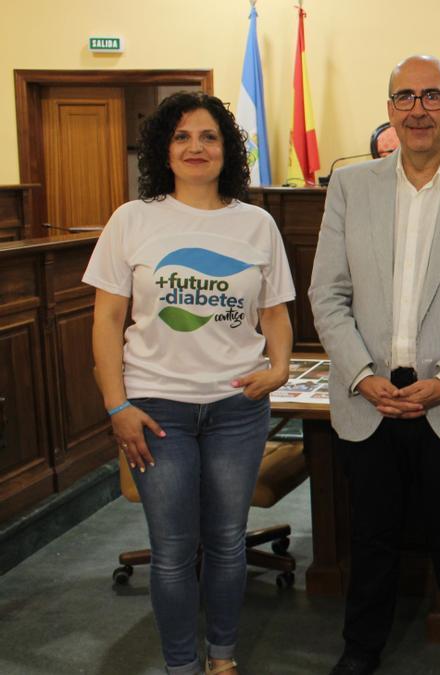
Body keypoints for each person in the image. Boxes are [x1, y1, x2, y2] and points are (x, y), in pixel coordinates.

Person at [309, 55, 440, 675]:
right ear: (389, 110)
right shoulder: (351, 187)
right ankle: (360, 652)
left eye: (432, 96)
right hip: (367, 400)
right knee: (371, 543)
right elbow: (327, 294)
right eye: (404, 97)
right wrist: (359, 374)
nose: (417, 109)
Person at [85, 91, 295, 675]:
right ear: (164, 149)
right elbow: (105, 320)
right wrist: (115, 406)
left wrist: (277, 368)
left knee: (228, 543)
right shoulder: (133, 219)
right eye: (182, 136)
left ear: (227, 150)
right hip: (156, 411)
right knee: (175, 550)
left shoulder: (257, 224)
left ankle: (221, 659)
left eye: (208, 137)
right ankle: (181, 665)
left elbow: (275, 313)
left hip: (237, 408)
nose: (196, 147)